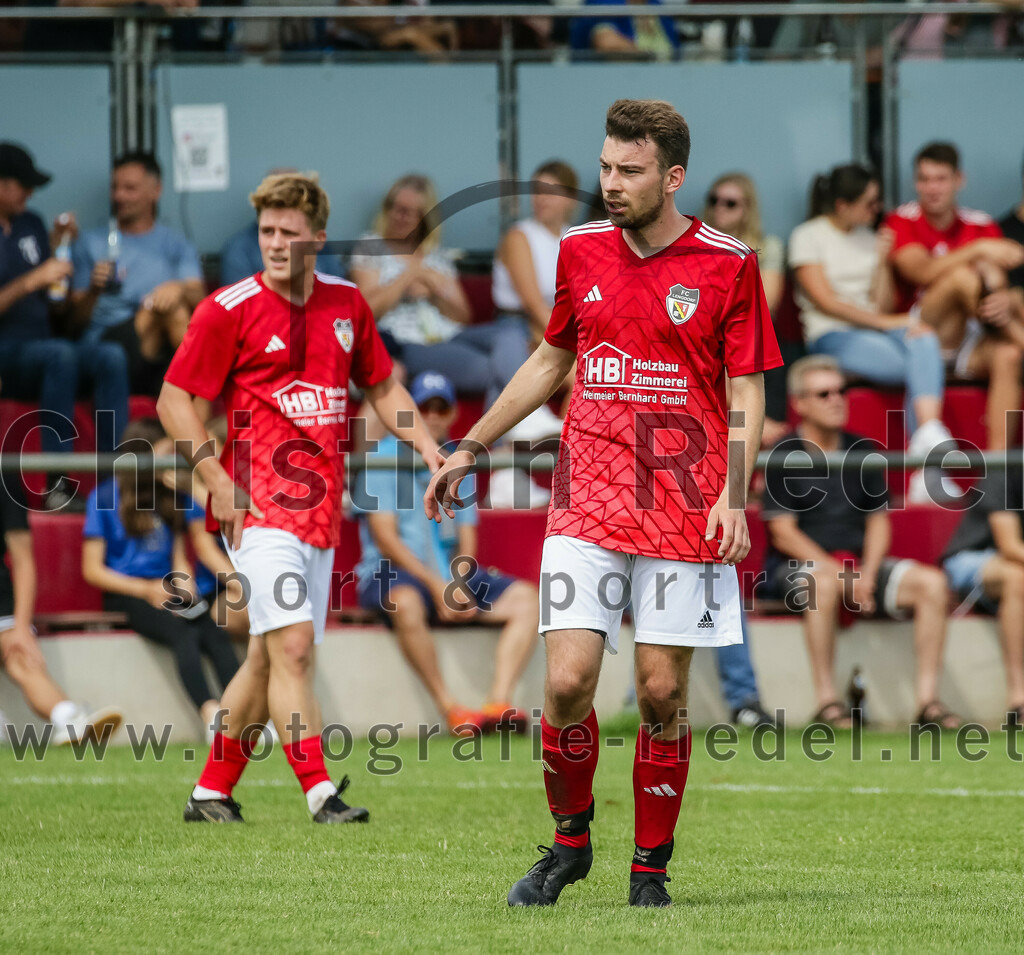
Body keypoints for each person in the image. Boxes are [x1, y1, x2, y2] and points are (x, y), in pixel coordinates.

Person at [425, 99, 783, 908]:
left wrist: (732, 495)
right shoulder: (579, 250)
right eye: (606, 167)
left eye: (630, 171)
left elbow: (747, 389)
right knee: (567, 681)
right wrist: (472, 444)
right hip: (585, 494)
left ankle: (649, 870)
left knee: (661, 692)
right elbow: (554, 356)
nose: (611, 185)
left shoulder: (729, 263)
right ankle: (570, 842)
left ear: (673, 176)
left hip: (682, 499)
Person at [158, 172, 440, 824]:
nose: (276, 243)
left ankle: (209, 792)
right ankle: (319, 790)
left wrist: (428, 448)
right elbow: (175, 399)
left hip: (320, 510)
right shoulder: (227, 308)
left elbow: (384, 387)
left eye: (289, 232)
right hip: (254, 507)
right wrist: (216, 479)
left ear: (318, 237)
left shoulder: (346, 303)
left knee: (264, 655)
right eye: (266, 231)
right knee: (291, 648)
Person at [762, 355, 960, 730]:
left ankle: (928, 703)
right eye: (824, 394)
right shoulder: (782, 454)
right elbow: (783, 533)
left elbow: (878, 522)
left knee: (932, 584)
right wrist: (842, 574)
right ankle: (827, 701)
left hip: (857, 566)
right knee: (821, 582)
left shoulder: (863, 450)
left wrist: (864, 573)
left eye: (842, 391)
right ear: (799, 403)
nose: (837, 399)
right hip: (800, 568)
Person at [352, 371, 537, 736]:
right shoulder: (380, 457)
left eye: (442, 407)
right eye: (425, 407)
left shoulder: (457, 460)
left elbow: (467, 534)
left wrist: (457, 581)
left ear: (453, 414)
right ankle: (450, 708)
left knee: (527, 599)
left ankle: (497, 704)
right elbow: (386, 540)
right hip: (390, 572)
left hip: (447, 573)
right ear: (411, 413)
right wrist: (437, 586)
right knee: (405, 602)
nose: (433, 415)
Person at [790, 163, 955, 502]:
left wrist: (881, 261)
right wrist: (889, 323)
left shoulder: (871, 238)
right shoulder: (808, 235)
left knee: (923, 337)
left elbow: (881, 305)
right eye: (869, 202)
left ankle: (928, 439)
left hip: (875, 330)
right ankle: (929, 468)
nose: (877, 209)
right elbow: (826, 303)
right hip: (833, 335)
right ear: (842, 205)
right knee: (918, 360)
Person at [81, 418, 240, 738]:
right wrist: (145, 589)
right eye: (164, 452)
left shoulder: (170, 494)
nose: (170, 459)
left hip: (166, 588)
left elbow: (179, 554)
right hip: (129, 591)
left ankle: (241, 717)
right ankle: (212, 715)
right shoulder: (104, 496)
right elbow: (93, 570)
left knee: (212, 630)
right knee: (183, 633)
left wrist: (183, 582)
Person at [0, 141, 130, 509]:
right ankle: (58, 484)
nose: (30, 192)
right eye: (21, 184)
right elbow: (35, 282)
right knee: (60, 355)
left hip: (43, 345)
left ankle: (115, 485)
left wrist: (67, 260)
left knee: (110, 356)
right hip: (8, 354)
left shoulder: (32, 224)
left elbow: (56, 307)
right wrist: (31, 280)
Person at [349, 174, 535, 409]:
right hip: (409, 342)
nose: (398, 216)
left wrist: (436, 292)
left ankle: (514, 431)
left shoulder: (435, 254)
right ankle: (504, 438)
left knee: (510, 332)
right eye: (393, 207)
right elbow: (366, 310)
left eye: (408, 211)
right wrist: (409, 275)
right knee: (497, 369)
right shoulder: (370, 246)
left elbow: (463, 316)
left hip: (450, 335)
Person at [886, 142, 1024, 451]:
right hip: (923, 332)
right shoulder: (901, 219)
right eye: (924, 179)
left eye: (941, 179)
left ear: (959, 180)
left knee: (1010, 352)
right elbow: (921, 272)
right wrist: (976, 250)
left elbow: (995, 280)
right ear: (915, 182)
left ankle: (998, 469)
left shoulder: (980, 223)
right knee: (960, 277)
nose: (932, 188)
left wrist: (1001, 296)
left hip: (972, 337)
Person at [0, 476, 123, 746]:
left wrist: (21, 628)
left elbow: (23, 560)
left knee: (21, 654)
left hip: (2, 606)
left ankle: (69, 718)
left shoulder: (3, 481)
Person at [71, 152, 205, 396]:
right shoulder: (90, 242)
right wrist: (93, 289)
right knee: (164, 309)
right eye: (115, 187)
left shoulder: (176, 244)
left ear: (156, 191)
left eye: (129, 188)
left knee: (175, 307)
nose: (119, 196)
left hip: (158, 349)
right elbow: (74, 322)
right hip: (105, 346)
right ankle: (203, 409)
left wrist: (179, 288)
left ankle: (194, 409)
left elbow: (200, 296)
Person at [491, 159, 580, 506]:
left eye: (551, 192)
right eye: (537, 191)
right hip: (516, 325)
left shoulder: (574, 238)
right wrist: (572, 343)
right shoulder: (519, 235)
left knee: (582, 375)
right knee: (571, 368)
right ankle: (515, 462)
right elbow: (530, 301)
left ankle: (561, 470)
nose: (541, 199)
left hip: (551, 328)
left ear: (570, 199)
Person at [940, 446, 1024, 724]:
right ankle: (1018, 697)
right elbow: (1010, 546)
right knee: (1018, 579)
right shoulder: (1006, 464)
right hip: (971, 558)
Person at [702, 172, 787, 446]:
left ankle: (760, 435)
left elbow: (768, 302)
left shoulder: (766, 246)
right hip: (710, 334)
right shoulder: (697, 245)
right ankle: (756, 431)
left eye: (730, 203)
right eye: (715, 200)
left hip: (749, 333)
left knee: (761, 345)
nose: (719, 208)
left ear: (747, 208)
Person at [569, 0, 681, 58]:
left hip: (667, 82)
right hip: (616, 82)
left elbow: (676, 50)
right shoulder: (604, 2)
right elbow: (607, 43)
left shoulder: (657, 5)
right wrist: (648, 56)